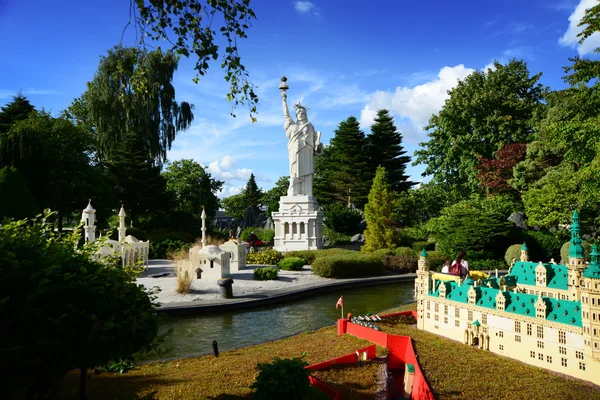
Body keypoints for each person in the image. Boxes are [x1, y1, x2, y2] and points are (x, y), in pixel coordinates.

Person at [280, 78, 323, 196]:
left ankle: (307, 194)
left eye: (303, 113)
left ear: (306, 114)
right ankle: (294, 193)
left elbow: (316, 147)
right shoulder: (292, 126)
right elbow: (286, 114)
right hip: (295, 152)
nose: (301, 115)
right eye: (299, 113)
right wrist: (284, 99)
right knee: (294, 173)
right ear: (296, 115)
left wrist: (318, 144)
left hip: (307, 153)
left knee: (308, 174)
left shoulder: (310, 126)